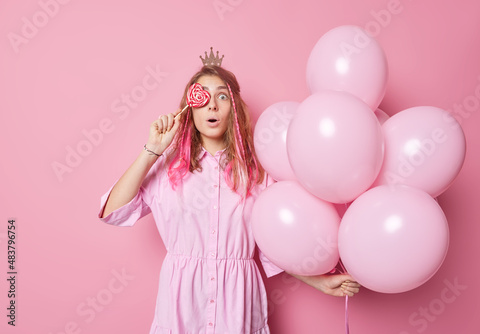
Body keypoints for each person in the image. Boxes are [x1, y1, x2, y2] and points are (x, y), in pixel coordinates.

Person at [98, 56, 360, 333]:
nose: (212, 104)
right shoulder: (167, 167)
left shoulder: (257, 173)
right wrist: (152, 149)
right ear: (190, 109)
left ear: (234, 108)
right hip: (182, 307)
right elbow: (113, 212)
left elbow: (275, 244)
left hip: (238, 306)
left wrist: (318, 280)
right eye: (204, 97)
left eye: (222, 96)